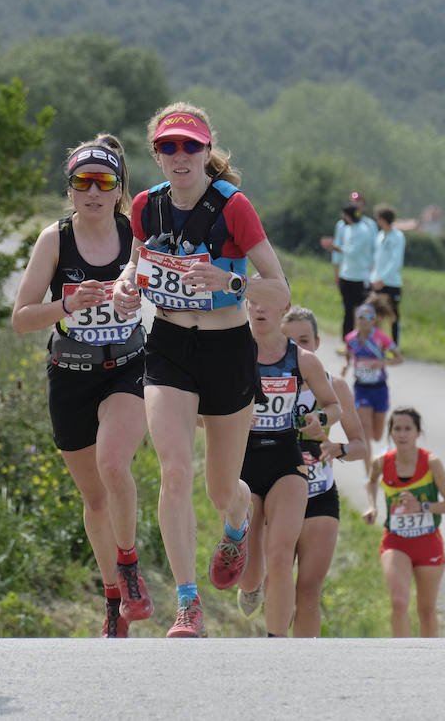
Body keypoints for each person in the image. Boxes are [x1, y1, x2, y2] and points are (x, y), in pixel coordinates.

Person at [111, 102, 290, 638]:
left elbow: (279, 290)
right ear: (157, 155)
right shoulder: (146, 206)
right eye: (168, 146)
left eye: (191, 146)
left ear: (207, 151)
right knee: (173, 469)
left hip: (227, 348)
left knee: (219, 488)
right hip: (167, 346)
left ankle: (237, 524)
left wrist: (228, 282)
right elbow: (137, 264)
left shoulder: (233, 207)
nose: (180, 155)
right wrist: (125, 288)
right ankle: (188, 605)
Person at [10, 135, 152, 638]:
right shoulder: (56, 240)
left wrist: (136, 301)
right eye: (83, 182)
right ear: (69, 189)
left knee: (114, 464)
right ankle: (112, 597)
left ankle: (131, 565)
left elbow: (169, 289)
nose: (94, 192)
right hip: (70, 373)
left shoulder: (136, 233)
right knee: (94, 499)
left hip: (127, 368)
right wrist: (67, 306)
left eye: (105, 182)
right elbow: (22, 319)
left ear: (119, 189)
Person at [234, 294, 345, 637]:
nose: (260, 308)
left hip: (286, 459)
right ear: (245, 306)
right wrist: (229, 418)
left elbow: (334, 406)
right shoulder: (232, 353)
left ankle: (277, 642)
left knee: (280, 553)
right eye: (253, 301)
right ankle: (248, 581)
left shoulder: (303, 360)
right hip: (243, 462)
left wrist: (319, 418)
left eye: (268, 302)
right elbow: (196, 412)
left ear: (283, 309)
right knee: (253, 569)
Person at [277, 305, 369, 637]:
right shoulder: (265, 380)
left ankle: (305, 664)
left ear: (317, 342)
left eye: (304, 340)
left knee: (309, 591)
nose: (298, 349)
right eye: (290, 342)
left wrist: (337, 448)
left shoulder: (336, 387)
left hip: (319, 496)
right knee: (277, 585)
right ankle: (273, 656)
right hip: (278, 497)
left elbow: (361, 446)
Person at [363, 407, 445, 638]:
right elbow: (370, 482)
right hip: (395, 541)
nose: (402, 434)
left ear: (418, 432)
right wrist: (372, 505)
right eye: (397, 429)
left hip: (428, 540)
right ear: (390, 433)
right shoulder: (381, 462)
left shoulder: (431, 463)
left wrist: (421, 507)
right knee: (399, 601)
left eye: (407, 429)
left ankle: (429, 658)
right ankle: (402, 656)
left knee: (426, 609)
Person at [342, 299, 403, 452]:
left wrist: (382, 363)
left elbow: (399, 358)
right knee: (366, 431)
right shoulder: (350, 339)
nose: (365, 321)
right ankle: (369, 473)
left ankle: (376, 459)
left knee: (377, 435)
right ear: (357, 318)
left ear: (374, 320)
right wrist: (346, 366)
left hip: (379, 388)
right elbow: (349, 356)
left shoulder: (381, 338)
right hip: (361, 388)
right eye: (362, 317)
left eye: (369, 317)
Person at [319, 190, 377, 341]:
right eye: (353, 202)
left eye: (359, 202)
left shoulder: (369, 225)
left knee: (365, 310)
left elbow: (373, 251)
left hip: (364, 273)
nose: (356, 204)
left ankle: (366, 341)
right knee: (348, 310)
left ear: (364, 206)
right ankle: (349, 341)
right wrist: (336, 272)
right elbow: (338, 250)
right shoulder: (342, 225)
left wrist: (374, 272)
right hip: (347, 272)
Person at [370, 203, 405, 347]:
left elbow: (396, 261)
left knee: (393, 315)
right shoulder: (379, 236)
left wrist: (383, 279)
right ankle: (375, 343)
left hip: (391, 282)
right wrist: (373, 278)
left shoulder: (397, 236)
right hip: (377, 282)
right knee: (374, 314)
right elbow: (376, 259)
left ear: (383, 219)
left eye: (378, 218)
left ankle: (394, 345)